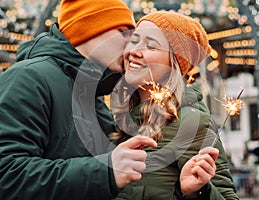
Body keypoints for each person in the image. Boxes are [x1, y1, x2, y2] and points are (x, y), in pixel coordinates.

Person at [0, 0, 158, 199]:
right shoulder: (29, 77)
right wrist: (105, 172)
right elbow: (6, 174)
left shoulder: (93, 97)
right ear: (90, 28)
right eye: (123, 32)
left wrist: (185, 190)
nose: (131, 47)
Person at [109, 11, 239, 199]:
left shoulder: (191, 122)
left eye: (151, 46)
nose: (133, 51)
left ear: (174, 64)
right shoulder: (120, 118)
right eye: (134, 40)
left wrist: (195, 192)